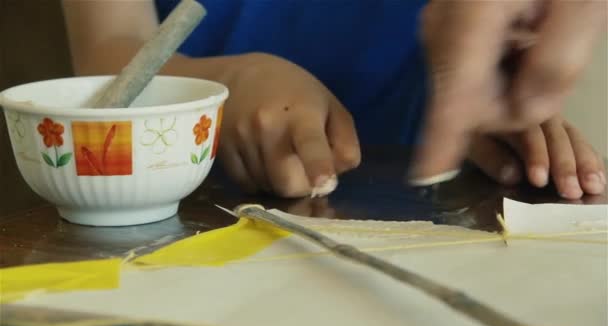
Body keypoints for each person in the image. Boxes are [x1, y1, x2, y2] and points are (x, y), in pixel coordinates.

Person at [62, 0, 606, 199]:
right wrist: (220, 84)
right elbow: (106, 53)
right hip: (191, 206)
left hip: (438, 191)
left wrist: (492, 91)